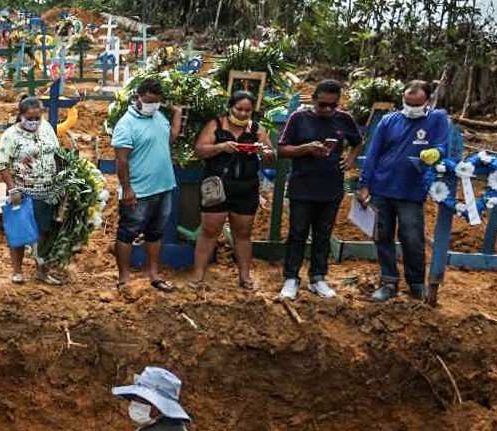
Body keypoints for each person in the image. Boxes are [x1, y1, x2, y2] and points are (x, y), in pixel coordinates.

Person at [357, 80, 451, 302]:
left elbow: (444, 145)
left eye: (416, 104)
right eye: (407, 102)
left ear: (427, 101)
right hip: (382, 188)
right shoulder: (389, 121)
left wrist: (435, 153)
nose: (410, 107)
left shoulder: (436, 119)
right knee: (382, 237)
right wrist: (364, 183)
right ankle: (389, 281)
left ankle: (416, 283)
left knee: (412, 238)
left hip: (411, 191)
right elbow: (373, 153)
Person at [277, 80, 362, 299]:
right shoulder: (299, 118)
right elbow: (283, 149)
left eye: (333, 106)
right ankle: (291, 277)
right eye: (323, 104)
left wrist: (351, 160)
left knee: (323, 235)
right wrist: (305, 148)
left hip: (331, 186)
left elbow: (357, 142)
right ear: (313, 99)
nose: (327, 110)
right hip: (302, 185)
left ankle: (318, 277)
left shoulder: (344, 119)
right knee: (297, 233)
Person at [191, 91, 275, 290]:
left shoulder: (256, 129)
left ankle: (245, 277)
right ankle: (198, 276)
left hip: (246, 187)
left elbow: (271, 156)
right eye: (239, 109)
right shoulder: (215, 125)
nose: (243, 113)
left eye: (248, 110)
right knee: (210, 230)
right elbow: (200, 150)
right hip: (217, 186)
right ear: (230, 107)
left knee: (244, 232)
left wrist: (264, 151)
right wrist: (221, 147)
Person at [111, 78, 182, 291]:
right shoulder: (126, 124)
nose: (153, 105)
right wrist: (128, 189)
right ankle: (124, 279)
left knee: (156, 232)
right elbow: (121, 161)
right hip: (139, 191)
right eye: (149, 101)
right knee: (127, 232)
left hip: (163, 187)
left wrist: (177, 113)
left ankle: (153, 274)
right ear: (137, 98)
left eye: (157, 102)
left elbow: (169, 138)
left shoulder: (159, 116)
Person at [0, 96, 63, 285]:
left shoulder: (47, 128)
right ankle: (17, 271)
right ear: (21, 115)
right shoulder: (10, 135)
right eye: (29, 118)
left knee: (43, 231)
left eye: (37, 118)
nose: (33, 122)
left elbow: (57, 154)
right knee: (19, 232)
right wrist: (12, 188)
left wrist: (62, 179)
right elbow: (2, 164)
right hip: (22, 192)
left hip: (47, 190)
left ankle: (42, 270)